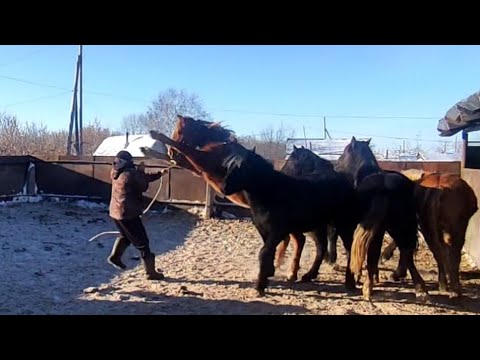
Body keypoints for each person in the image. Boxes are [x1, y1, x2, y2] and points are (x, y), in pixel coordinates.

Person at [107, 150, 167, 280]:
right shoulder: (130, 174)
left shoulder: (115, 172)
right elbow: (143, 185)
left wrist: (159, 174)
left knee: (126, 236)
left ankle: (115, 257)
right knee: (143, 243)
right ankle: (151, 273)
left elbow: (141, 179)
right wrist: (141, 171)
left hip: (116, 212)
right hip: (128, 214)